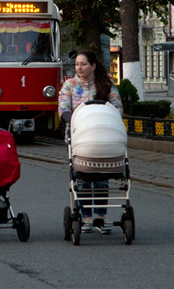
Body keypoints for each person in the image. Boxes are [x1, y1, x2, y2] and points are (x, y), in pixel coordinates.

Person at [58, 50, 123, 235]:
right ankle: (85, 217)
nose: (79, 67)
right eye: (77, 64)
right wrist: (72, 118)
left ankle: (100, 218)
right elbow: (62, 108)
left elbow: (117, 108)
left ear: (93, 66)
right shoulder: (69, 85)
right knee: (83, 177)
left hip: (102, 136)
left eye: (83, 64)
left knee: (101, 177)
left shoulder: (106, 85)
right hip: (79, 137)